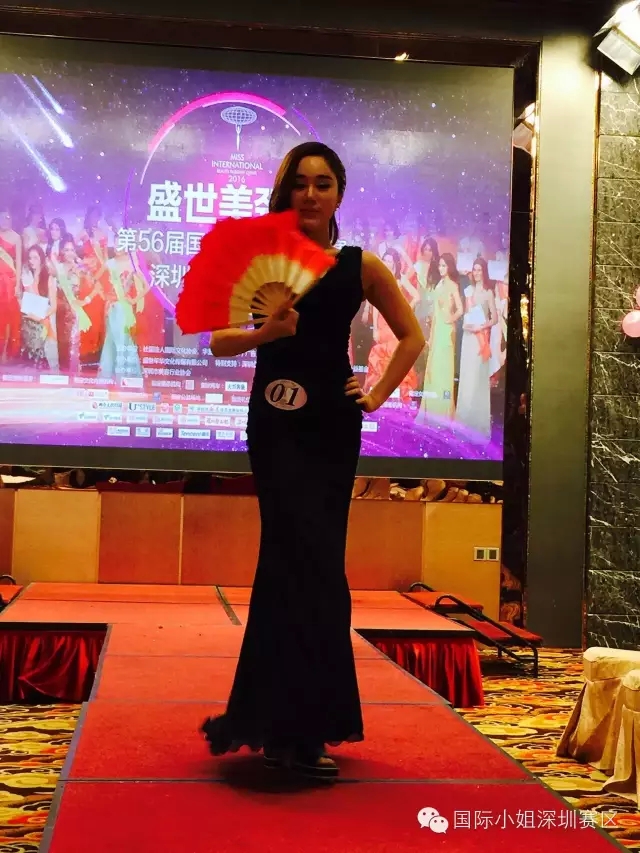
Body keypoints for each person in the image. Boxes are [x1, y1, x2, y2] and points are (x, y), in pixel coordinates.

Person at [200, 142, 425, 780]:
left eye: (322, 184)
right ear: (285, 193)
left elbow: (412, 336)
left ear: (338, 194)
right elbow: (218, 342)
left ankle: (307, 725)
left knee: (322, 565)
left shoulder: (360, 265)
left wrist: (375, 394)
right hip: (275, 424)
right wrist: (265, 334)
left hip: (332, 425)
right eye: (299, 183)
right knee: (285, 557)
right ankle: (280, 724)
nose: (310, 194)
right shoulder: (259, 260)